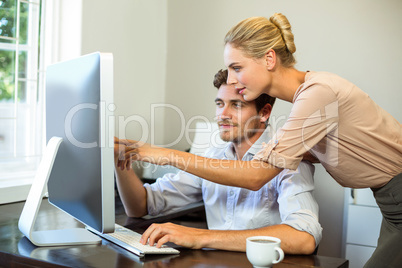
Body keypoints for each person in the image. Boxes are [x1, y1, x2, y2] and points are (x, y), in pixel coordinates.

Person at [116, 13, 402, 267]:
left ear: (269, 59)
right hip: (390, 201)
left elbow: (257, 178)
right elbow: (142, 205)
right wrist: (120, 158)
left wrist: (166, 155)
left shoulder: (318, 93)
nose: (232, 78)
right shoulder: (300, 112)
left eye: (237, 68)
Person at [114, 69, 322, 254]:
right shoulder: (213, 156)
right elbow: (141, 205)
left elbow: (304, 238)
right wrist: (119, 160)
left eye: (237, 105)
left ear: (264, 113)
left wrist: (200, 237)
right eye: (220, 104)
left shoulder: (288, 158)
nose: (223, 114)